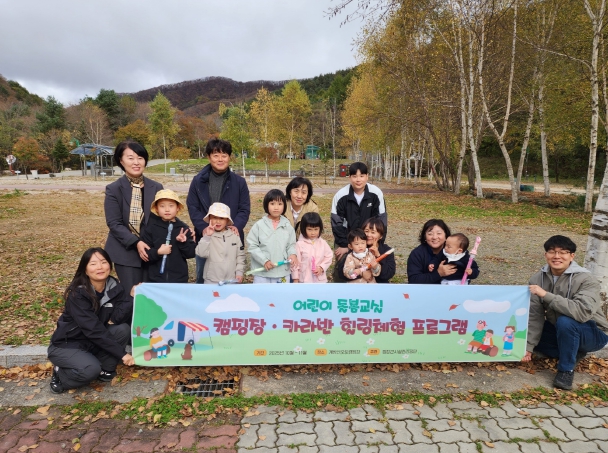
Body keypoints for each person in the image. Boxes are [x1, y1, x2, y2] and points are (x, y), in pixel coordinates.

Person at [523, 235, 608, 390]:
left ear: (572, 256)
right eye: (552, 252)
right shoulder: (537, 279)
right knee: (521, 334)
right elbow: (535, 316)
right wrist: (528, 347)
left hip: (593, 332)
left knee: (565, 321)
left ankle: (566, 370)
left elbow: (581, 312)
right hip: (560, 329)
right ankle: (573, 352)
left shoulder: (587, 279)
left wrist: (545, 295)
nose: (557, 256)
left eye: (563, 252)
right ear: (546, 255)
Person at [47, 248, 135, 394]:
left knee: (122, 329)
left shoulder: (114, 287)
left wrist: (131, 297)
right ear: (85, 270)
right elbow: (93, 330)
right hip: (68, 344)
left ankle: (105, 369)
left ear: (110, 266)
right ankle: (61, 375)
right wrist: (123, 354)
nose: (100, 267)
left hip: (91, 342)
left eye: (103, 262)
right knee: (90, 370)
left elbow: (117, 318)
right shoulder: (78, 294)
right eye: (93, 264)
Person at [187, 138, 250, 283]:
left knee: (231, 280)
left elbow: (244, 208)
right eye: (216, 155)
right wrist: (203, 227)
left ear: (229, 157)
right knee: (204, 278)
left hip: (230, 238)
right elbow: (193, 207)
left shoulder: (239, 182)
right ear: (209, 157)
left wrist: (236, 225)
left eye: (224, 155)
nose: (220, 159)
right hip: (207, 238)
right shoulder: (198, 181)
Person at [104, 141, 163, 293]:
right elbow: (114, 223)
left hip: (152, 252)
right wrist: (136, 242)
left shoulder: (157, 187)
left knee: (152, 296)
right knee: (132, 296)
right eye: (130, 158)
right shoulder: (114, 189)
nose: (136, 162)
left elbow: (164, 216)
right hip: (125, 252)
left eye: (140, 158)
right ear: (121, 161)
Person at [331, 162, 386, 261]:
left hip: (369, 239)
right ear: (349, 177)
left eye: (361, 176)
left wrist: (377, 243)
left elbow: (381, 221)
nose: (358, 180)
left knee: (374, 266)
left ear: (367, 176)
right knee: (343, 265)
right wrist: (344, 244)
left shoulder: (376, 193)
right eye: (354, 176)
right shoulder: (341, 195)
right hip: (347, 240)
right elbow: (336, 223)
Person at [139, 190, 196, 283]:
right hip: (155, 280)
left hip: (179, 280)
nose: (167, 209)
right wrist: (158, 252)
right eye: (162, 206)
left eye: (171, 206)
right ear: (156, 209)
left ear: (177, 208)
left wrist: (183, 243)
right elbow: (145, 254)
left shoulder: (183, 229)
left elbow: (191, 253)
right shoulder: (151, 229)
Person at [247, 189, 298, 283]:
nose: (276, 207)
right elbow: (252, 246)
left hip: (282, 272)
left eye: (280, 204)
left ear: (284, 206)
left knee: (281, 292)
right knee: (262, 293)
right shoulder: (259, 225)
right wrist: (264, 261)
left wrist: (293, 254)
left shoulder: (287, 226)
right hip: (262, 273)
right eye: (272, 203)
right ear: (266, 205)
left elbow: (291, 245)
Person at [195, 202, 246, 284]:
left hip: (231, 280)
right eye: (214, 217)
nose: (218, 221)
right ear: (210, 218)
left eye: (222, 218)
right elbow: (201, 253)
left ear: (227, 220)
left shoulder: (234, 235)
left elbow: (240, 256)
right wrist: (207, 237)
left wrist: (239, 272)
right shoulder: (208, 235)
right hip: (211, 280)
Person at [406, 219, 457, 284]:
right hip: (425, 290)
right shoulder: (417, 253)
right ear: (425, 236)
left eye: (439, 233)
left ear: (446, 236)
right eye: (430, 234)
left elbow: (465, 274)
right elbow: (413, 280)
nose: (434, 237)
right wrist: (438, 274)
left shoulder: (456, 250)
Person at [291, 212, 333, 283]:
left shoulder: (323, 243)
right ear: (304, 229)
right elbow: (296, 264)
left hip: (319, 281)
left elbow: (329, 256)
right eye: (309, 229)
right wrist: (295, 279)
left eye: (316, 229)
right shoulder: (299, 244)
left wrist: (321, 267)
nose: (313, 233)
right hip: (304, 281)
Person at [363, 217, 395, 283]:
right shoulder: (356, 247)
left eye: (373, 232)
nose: (368, 235)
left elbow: (388, 274)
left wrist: (378, 256)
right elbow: (343, 271)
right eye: (366, 231)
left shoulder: (387, 250)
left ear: (381, 236)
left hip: (380, 285)